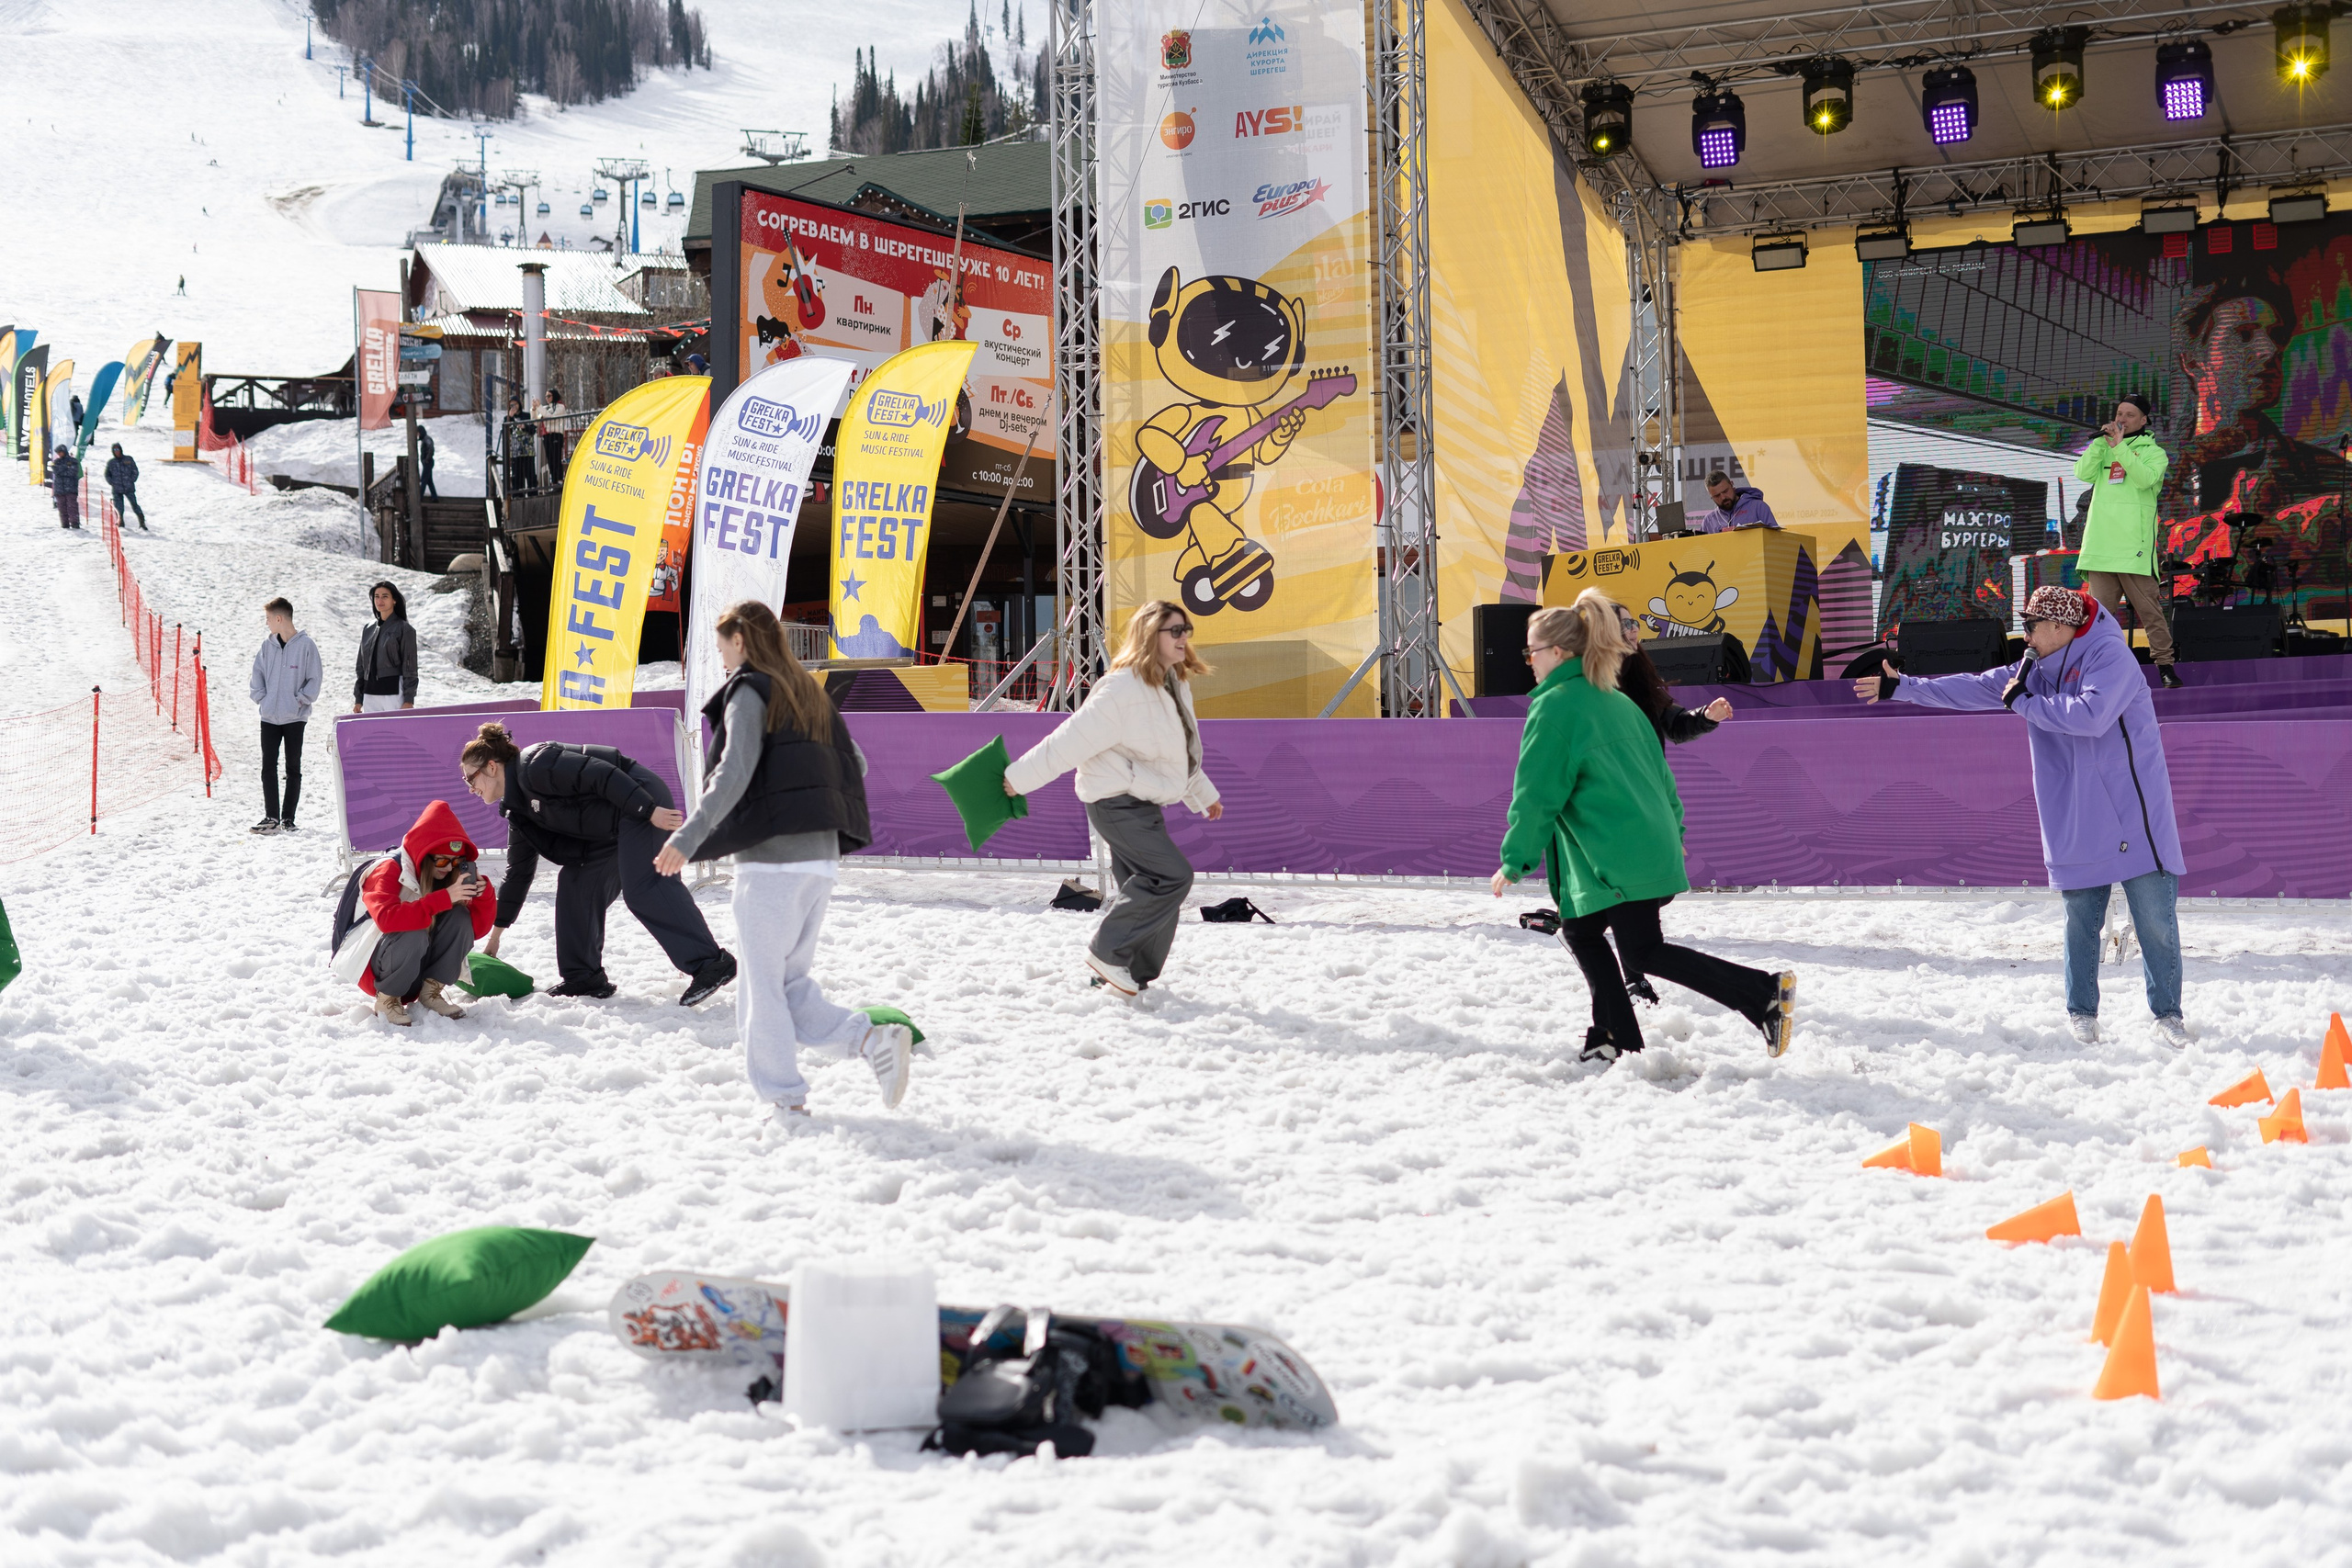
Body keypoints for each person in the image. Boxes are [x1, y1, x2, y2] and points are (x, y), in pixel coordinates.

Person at [1853, 585, 2188, 1047]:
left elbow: (2091, 715)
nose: (2024, 634)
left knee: (2154, 920)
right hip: (2077, 812)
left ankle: (2168, 1014)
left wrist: (2024, 703)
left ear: (2059, 626)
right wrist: (1902, 687)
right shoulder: (2034, 666)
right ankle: (2082, 1013)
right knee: (2080, 919)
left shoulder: (2111, 657)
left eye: (2030, 625)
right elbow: (1976, 686)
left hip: (2134, 809)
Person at [1493, 590, 1795, 1064]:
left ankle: (1761, 994)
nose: (1528, 661)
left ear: (1557, 653)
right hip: (1637, 845)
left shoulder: (1555, 707)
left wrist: (1515, 860)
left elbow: (1537, 793)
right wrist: (1673, 834)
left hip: (1616, 854)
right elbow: (1663, 779)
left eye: (1531, 651)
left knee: (1642, 951)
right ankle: (1613, 1037)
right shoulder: (1617, 701)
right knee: (1582, 932)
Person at [651, 600, 910, 1121]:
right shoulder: (807, 693)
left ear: (741, 640)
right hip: (820, 860)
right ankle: (868, 1040)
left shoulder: (750, 690)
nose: (719, 651)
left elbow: (732, 773)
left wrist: (689, 836)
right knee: (786, 984)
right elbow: (853, 761)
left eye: (721, 640)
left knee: (761, 988)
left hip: (771, 862)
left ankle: (785, 1097)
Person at [1002, 600, 1224, 997]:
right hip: (1114, 800)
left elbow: (1177, 753)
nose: (1184, 637)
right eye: (1175, 630)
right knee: (1170, 876)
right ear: (1149, 634)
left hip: (1144, 799)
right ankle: (1107, 952)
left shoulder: (1174, 683)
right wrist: (1018, 779)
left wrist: (1202, 793)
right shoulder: (1121, 689)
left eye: (1186, 629)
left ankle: (1127, 972)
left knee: (1148, 892)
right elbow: (1067, 742)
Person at [459, 722, 737, 1006]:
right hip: (611, 830)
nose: (471, 789)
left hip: (639, 800)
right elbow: (518, 872)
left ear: (492, 767)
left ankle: (710, 963)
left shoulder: (537, 763)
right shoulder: (518, 810)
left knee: (644, 888)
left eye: (471, 779)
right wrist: (496, 935)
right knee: (575, 882)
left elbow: (601, 774)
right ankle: (584, 977)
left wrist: (648, 809)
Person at [1609, 602, 1736, 1005]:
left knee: (1652, 891)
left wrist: (1707, 716)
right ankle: (1630, 979)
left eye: (1635, 622)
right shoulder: (1587, 681)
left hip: (1647, 794)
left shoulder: (1641, 672)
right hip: (1609, 798)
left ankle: (1630, 968)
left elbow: (1675, 724)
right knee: (1629, 894)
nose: (1635, 630)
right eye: (1626, 623)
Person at [353, 800, 496, 1027]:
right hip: (376, 969)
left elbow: (474, 930)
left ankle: (430, 993)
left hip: (417, 965)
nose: (449, 868)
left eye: (456, 862)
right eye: (441, 860)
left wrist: (484, 895)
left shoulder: (447, 876)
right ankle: (387, 1000)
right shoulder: (387, 869)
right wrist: (443, 898)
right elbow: (387, 919)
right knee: (414, 929)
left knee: (459, 917)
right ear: (424, 853)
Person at [2075, 392, 2180, 689]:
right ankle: (2098, 671)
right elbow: (2081, 473)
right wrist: (2100, 443)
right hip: (2100, 544)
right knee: (2098, 618)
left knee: (2150, 611)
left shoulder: (2154, 452)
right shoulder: (2104, 447)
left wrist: (2120, 447)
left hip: (2133, 545)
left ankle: (2165, 666)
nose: (2121, 419)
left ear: (2144, 420)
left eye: (2129, 415)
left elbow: (2145, 479)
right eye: (2119, 413)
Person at [246, 597, 322, 835]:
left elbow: (314, 680)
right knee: (268, 766)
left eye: (269, 619)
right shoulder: (267, 646)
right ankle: (271, 817)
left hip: (295, 717)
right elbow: (256, 674)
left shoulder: (306, 645)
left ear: (279, 619)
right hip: (269, 717)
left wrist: (299, 700)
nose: (267, 623)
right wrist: (262, 699)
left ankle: (288, 819)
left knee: (293, 767)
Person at [353, 581, 418, 713]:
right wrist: (359, 699)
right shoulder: (368, 628)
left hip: (393, 693)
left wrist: (409, 699)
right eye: (376, 596)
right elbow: (361, 666)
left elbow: (410, 667)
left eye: (385, 596)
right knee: (373, 733)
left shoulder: (405, 629)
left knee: (395, 732)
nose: (380, 600)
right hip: (370, 694)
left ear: (394, 600)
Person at [1693, 471, 1779, 533]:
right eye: (1717, 496)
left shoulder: (1758, 507)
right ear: (1710, 496)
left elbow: (1774, 539)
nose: (1723, 498)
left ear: (1732, 484)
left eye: (1725, 491)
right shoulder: (1708, 521)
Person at [104, 444, 146, 530]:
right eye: (115, 450)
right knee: (119, 508)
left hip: (129, 488)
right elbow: (107, 474)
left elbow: (135, 471)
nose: (117, 452)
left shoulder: (128, 459)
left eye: (118, 449)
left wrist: (131, 480)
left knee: (135, 505)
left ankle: (142, 523)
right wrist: (112, 482)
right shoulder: (111, 462)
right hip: (117, 489)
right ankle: (121, 523)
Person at [48, 446, 82, 530]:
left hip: (71, 488)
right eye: (58, 452)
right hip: (59, 489)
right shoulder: (56, 462)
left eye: (60, 452)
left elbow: (72, 472)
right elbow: (56, 471)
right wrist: (65, 468)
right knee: (62, 508)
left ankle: (75, 524)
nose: (59, 454)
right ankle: (64, 524)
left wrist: (61, 470)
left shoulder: (73, 461)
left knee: (72, 507)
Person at [417, 425, 438, 499]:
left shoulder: (427, 439)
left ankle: (420, 497)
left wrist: (426, 460)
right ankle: (434, 497)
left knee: (424, 480)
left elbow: (431, 449)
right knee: (429, 481)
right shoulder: (425, 439)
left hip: (428, 463)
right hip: (427, 462)